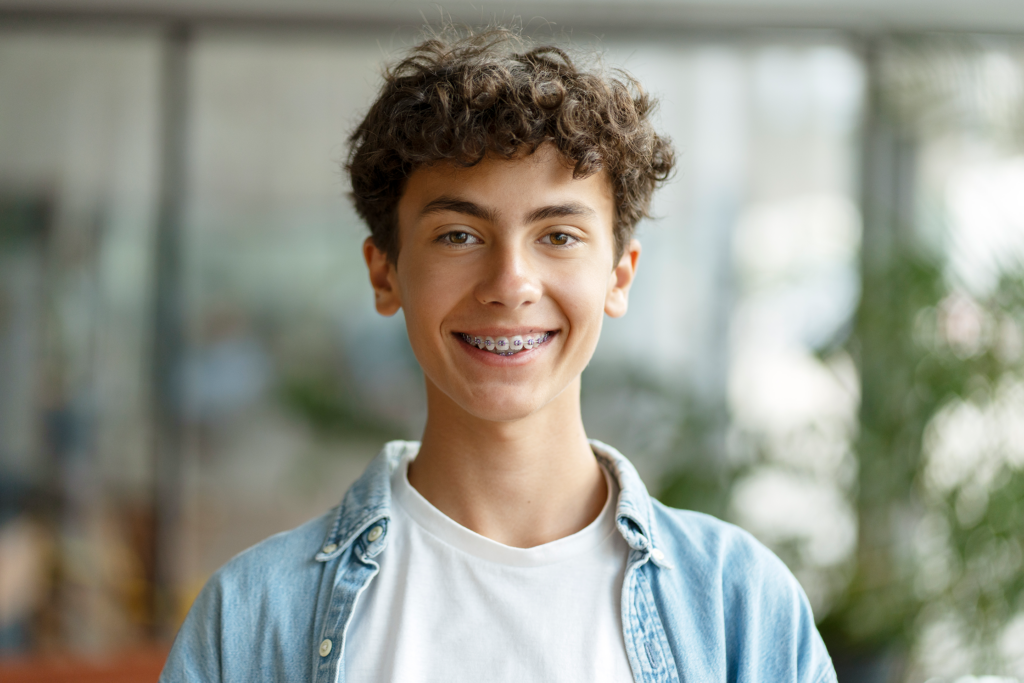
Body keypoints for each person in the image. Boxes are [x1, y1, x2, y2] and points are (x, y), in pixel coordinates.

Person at [160, 26, 837, 683]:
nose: (511, 283)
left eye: (559, 236)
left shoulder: (737, 605)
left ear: (620, 275)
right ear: (385, 272)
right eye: (458, 234)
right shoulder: (254, 618)